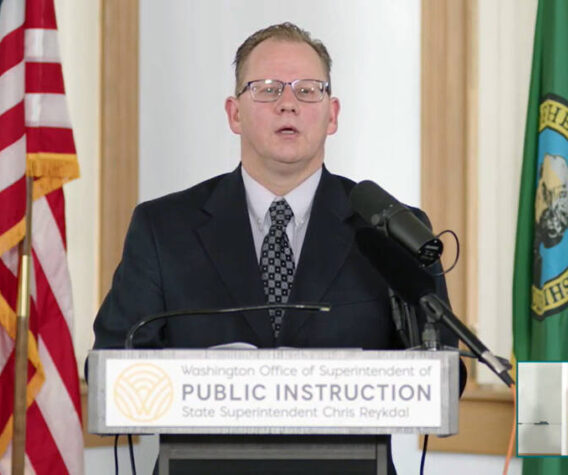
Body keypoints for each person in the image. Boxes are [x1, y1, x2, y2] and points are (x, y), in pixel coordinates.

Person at [92, 22, 460, 475]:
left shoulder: (390, 228)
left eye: (308, 90)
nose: (288, 103)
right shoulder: (164, 227)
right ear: (235, 113)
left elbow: (446, 371)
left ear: (333, 114)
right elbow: (110, 373)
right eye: (267, 89)